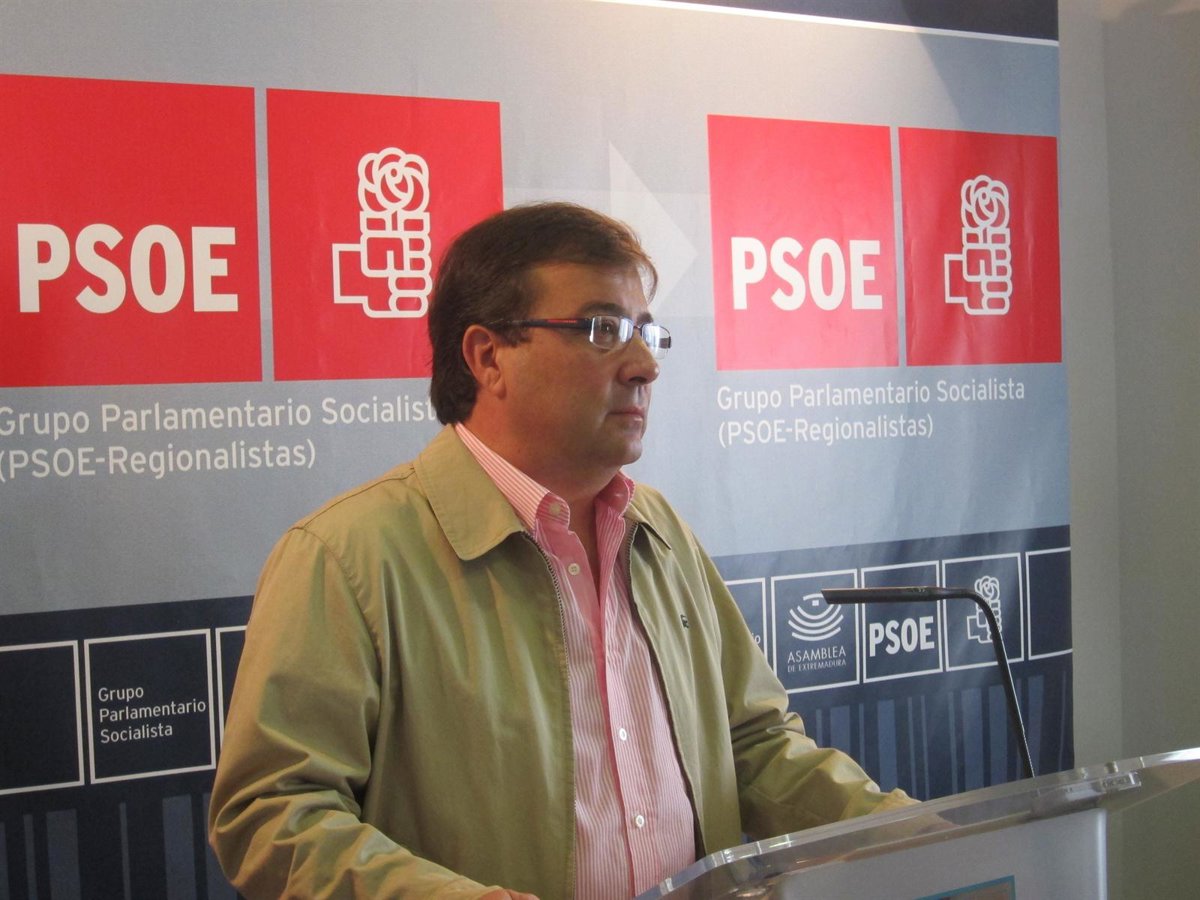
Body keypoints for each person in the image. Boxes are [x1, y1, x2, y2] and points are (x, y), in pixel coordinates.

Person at [208, 202, 913, 899]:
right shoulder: (346, 557)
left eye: (646, 333)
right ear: (488, 357)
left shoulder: (660, 530)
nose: (644, 366)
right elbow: (275, 816)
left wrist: (915, 838)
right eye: (603, 330)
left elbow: (754, 748)